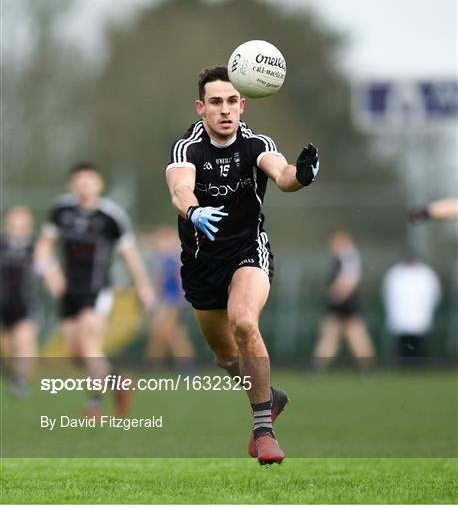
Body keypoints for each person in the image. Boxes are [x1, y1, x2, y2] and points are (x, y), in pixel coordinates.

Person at [165, 66, 319, 465]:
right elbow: (180, 189)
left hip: (248, 252)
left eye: (232, 101)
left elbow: (282, 176)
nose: (225, 110)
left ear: (243, 104)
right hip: (202, 264)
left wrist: (300, 176)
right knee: (225, 357)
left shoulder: (255, 143)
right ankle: (270, 397)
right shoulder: (188, 147)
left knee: (244, 322)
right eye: (215, 102)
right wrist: (193, 211)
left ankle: (263, 429)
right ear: (201, 108)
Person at [35, 162, 155, 418]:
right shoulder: (61, 210)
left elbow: (131, 256)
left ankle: (94, 405)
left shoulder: (111, 216)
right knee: (75, 353)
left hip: (97, 289)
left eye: (89, 181)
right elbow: (44, 248)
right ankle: (118, 382)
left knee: (90, 346)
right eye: (79, 181)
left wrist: (144, 289)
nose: (84, 185)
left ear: (99, 184)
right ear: (72, 184)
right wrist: (51, 274)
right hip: (68, 292)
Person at [312, 230, 375, 372]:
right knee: (336, 335)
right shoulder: (345, 258)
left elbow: (350, 281)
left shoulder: (349, 257)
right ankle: (318, 366)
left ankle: (317, 367)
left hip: (345, 304)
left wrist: (335, 295)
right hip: (345, 304)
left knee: (351, 336)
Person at [0, 206, 38, 396]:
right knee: (5, 350)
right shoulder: (2, 246)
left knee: (24, 341)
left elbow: (48, 270)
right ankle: (13, 375)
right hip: (3, 305)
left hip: (25, 303)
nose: (17, 230)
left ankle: (21, 381)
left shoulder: (36, 248)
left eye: (22, 226)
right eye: (14, 225)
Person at [145, 225, 196, 368]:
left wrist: (182, 299)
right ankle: (186, 366)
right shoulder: (163, 259)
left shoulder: (172, 259)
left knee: (161, 333)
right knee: (174, 335)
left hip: (172, 301)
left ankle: (152, 366)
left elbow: (179, 279)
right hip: (167, 301)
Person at [382, 252, 441, 365]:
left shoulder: (426, 274)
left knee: (419, 346)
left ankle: (420, 366)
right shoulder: (395, 273)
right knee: (402, 346)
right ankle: (402, 366)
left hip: (419, 317)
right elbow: (388, 294)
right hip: (400, 317)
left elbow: (434, 294)